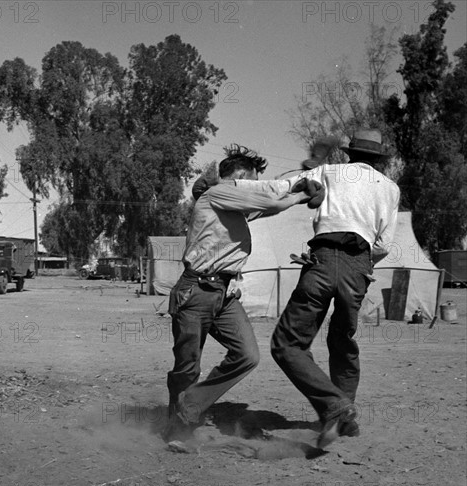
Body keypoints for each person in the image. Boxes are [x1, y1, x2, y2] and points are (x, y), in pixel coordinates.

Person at [164, 144, 323, 441]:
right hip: (196, 290)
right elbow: (271, 200)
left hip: (223, 294)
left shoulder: (231, 205)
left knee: (247, 355)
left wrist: (299, 187)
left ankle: (190, 406)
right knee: (187, 368)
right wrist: (300, 192)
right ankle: (176, 426)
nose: (253, 186)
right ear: (239, 176)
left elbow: (265, 207)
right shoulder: (219, 193)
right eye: (251, 180)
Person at [270, 128, 401, 449]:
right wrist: (360, 265)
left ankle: (335, 406)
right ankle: (345, 418)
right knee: (342, 339)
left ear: (350, 153)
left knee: (288, 343)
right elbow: (383, 244)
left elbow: (284, 185)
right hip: (360, 264)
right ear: (379, 159)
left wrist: (310, 163)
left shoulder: (329, 171)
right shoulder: (390, 188)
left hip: (323, 257)